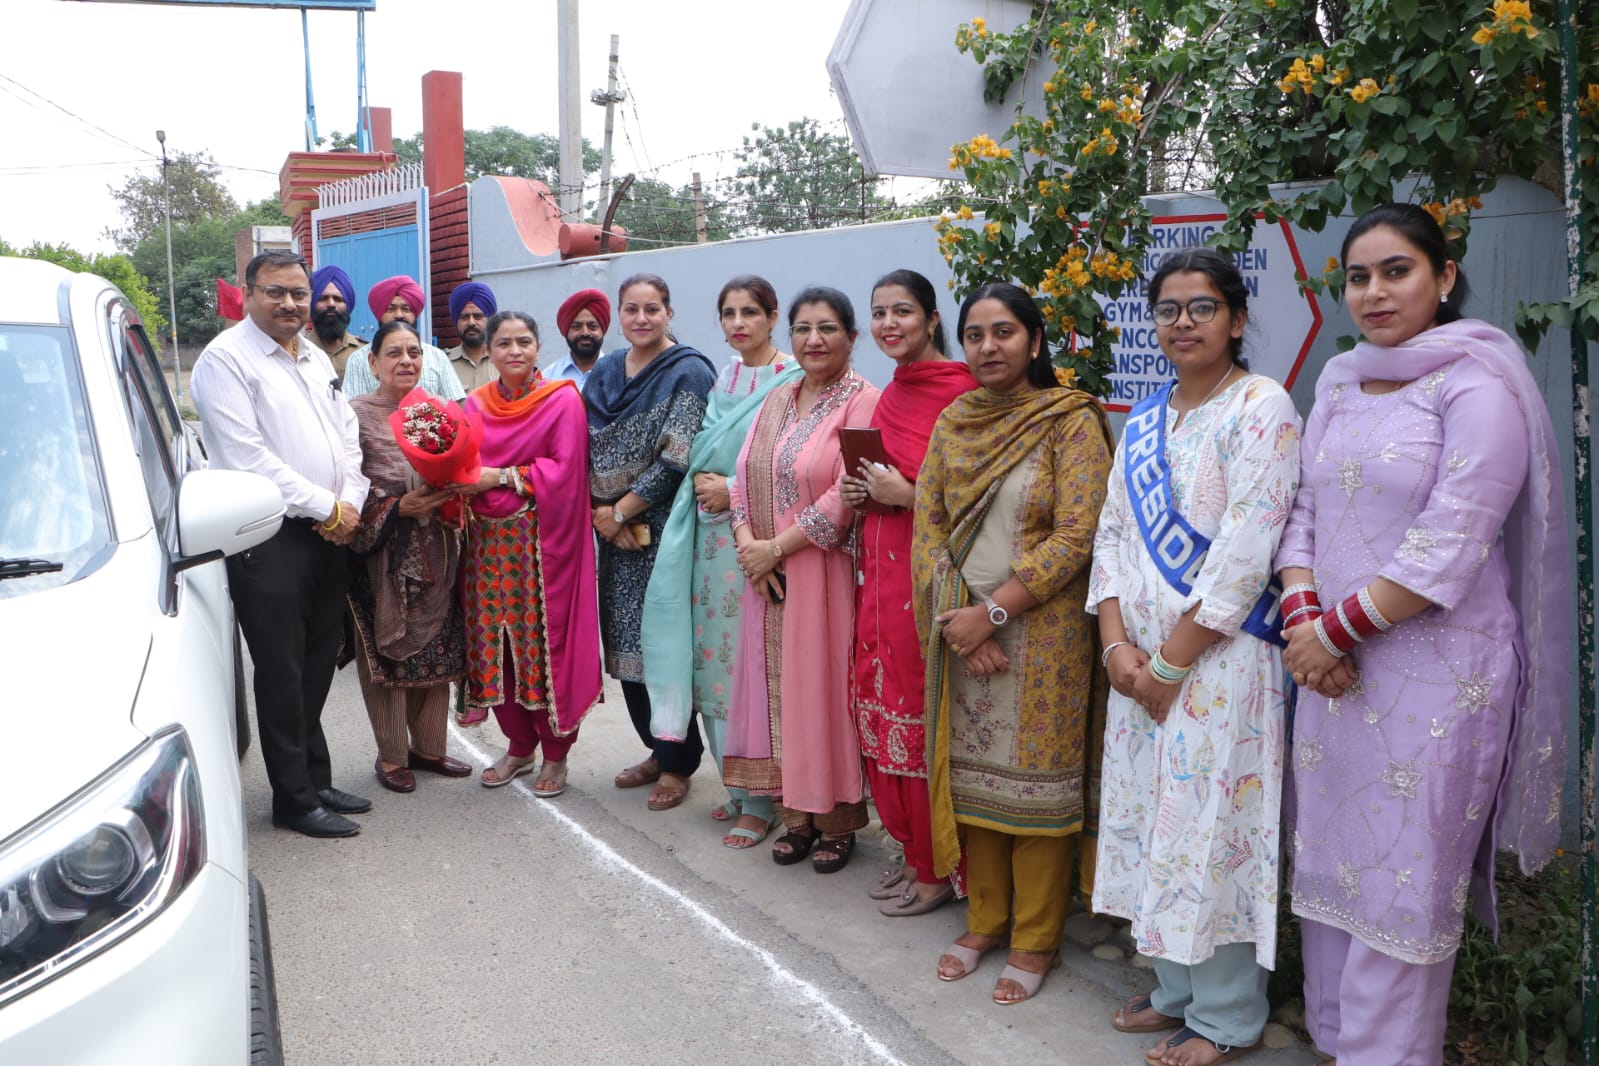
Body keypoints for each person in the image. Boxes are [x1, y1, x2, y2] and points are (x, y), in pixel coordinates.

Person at [1275, 203, 1570, 1066]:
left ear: (1443, 277)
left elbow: (1452, 539)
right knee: (1332, 871)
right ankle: (1338, 1043)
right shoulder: (1338, 382)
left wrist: (1330, 634)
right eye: (1357, 276)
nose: (1373, 291)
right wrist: (1303, 620)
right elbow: (1301, 511)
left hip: (1438, 679)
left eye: (1395, 270)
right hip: (1331, 675)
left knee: (1401, 890)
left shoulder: (1476, 384)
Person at [1088, 248, 1301, 1065]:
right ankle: (1174, 988)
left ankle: (1225, 1015)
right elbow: (1112, 533)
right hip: (1137, 668)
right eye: (1168, 309)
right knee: (1154, 821)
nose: (1183, 322)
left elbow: (1246, 551)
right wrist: (1116, 645)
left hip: (1219, 667)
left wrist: (1166, 668)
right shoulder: (1144, 420)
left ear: (1236, 319)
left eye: (1201, 307)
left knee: (1214, 828)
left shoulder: (1261, 405)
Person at [915, 282, 1112, 1003]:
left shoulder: (1069, 419)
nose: (988, 346)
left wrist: (994, 613)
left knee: (1037, 790)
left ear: (1034, 341)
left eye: (1003, 332)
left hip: (1045, 634)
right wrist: (963, 623)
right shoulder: (954, 421)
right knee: (974, 783)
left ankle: (1036, 937)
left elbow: (1079, 533)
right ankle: (985, 921)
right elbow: (929, 528)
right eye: (975, 334)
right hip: (961, 627)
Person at [190, 249, 372, 838]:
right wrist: (329, 507)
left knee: (317, 662)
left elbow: (347, 436)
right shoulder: (226, 360)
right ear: (248, 295)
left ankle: (315, 780)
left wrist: (349, 503)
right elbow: (247, 457)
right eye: (276, 292)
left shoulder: (312, 356)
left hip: (328, 531)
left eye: (299, 293)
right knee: (281, 670)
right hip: (268, 537)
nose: (290, 303)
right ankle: (292, 800)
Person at [641, 275, 802, 848]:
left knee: (750, 670)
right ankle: (737, 786)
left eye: (750, 312)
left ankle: (763, 801)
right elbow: (702, 454)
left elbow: (789, 466)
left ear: (772, 316)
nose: (738, 323)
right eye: (729, 313)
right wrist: (714, 487)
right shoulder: (725, 377)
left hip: (758, 546)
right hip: (707, 546)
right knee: (711, 669)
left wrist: (730, 488)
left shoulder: (791, 380)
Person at [723, 286, 880, 872]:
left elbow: (847, 494)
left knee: (820, 691)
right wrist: (750, 548)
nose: (814, 340)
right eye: (803, 329)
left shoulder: (863, 400)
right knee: (778, 692)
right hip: (765, 576)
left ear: (851, 337)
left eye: (828, 328)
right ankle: (795, 815)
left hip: (822, 573)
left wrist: (775, 549)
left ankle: (835, 820)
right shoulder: (777, 397)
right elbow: (740, 477)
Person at [839, 269, 975, 913]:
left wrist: (910, 494)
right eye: (879, 313)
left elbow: (977, 502)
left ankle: (937, 867)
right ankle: (912, 851)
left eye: (902, 312)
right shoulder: (892, 392)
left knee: (919, 716)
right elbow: (885, 480)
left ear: (931, 318)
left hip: (928, 581)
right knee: (881, 708)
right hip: (879, 571)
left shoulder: (962, 392)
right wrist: (862, 491)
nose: (889, 324)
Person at [458, 310, 603, 794]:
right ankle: (519, 747)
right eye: (504, 343)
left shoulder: (562, 400)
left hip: (541, 551)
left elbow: (566, 471)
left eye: (524, 341)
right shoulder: (475, 404)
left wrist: (499, 476)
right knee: (497, 648)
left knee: (542, 648)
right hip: (485, 549)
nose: (515, 350)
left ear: (538, 348)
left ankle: (555, 755)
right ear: (490, 351)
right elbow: (463, 468)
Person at [586, 274, 716, 812]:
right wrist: (605, 517)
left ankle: (678, 762)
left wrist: (621, 510)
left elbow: (677, 457)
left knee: (664, 647)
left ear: (669, 312)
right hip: (612, 535)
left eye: (652, 309)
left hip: (665, 532)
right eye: (631, 309)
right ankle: (656, 749)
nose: (641, 319)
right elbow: (583, 443)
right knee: (625, 648)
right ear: (619, 314)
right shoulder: (606, 371)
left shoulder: (689, 370)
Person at [345, 319, 473, 793]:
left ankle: (430, 748)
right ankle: (392, 754)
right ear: (372, 361)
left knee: (438, 647)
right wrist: (398, 507)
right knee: (388, 655)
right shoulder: (354, 415)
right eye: (394, 353)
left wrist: (452, 491)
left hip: (438, 546)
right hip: (383, 554)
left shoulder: (435, 411)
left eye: (414, 353)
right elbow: (347, 483)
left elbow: (462, 466)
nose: (406, 361)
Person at [342, 275, 466, 401]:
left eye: (406, 309)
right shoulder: (358, 359)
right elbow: (353, 409)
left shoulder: (437, 357)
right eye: (391, 309)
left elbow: (456, 405)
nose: (399, 315)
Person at [305, 263, 365, 381]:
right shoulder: (299, 351)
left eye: (338, 299)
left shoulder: (365, 352)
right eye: (323, 298)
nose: (331, 304)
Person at [549, 288, 610, 390]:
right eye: (576, 327)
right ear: (566, 331)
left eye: (592, 326)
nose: (585, 333)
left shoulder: (619, 375)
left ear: (602, 330)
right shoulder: (549, 377)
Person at [446, 281, 499, 391]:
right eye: (465, 317)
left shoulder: (505, 360)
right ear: (456, 321)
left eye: (478, 316)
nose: (471, 323)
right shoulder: (444, 363)